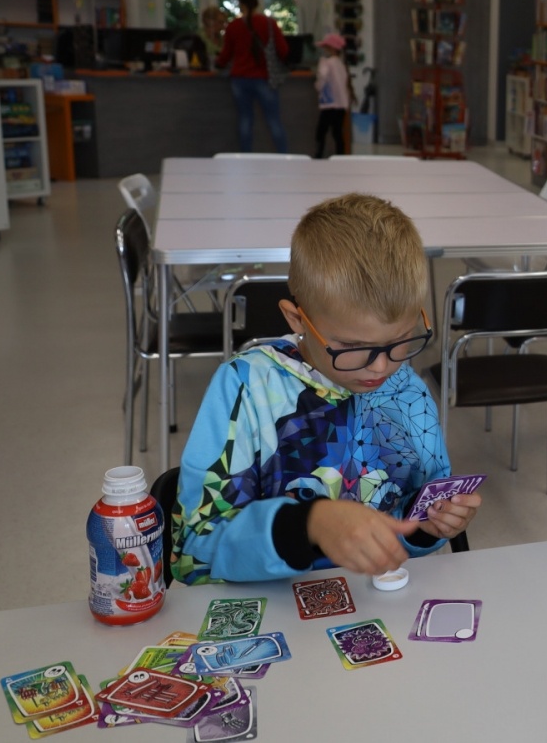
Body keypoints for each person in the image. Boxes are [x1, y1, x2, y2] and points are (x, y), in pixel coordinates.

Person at [170, 193, 480, 584]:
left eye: (401, 340)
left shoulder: (407, 391)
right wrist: (308, 524)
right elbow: (195, 551)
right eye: (352, 347)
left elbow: (413, 518)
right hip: (271, 601)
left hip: (373, 599)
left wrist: (428, 527)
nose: (381, 367)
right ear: (297, 319)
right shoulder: (246, 388)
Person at [216, 0, 290, 153]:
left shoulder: (233, 26)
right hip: (264, 77)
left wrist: (218, 64)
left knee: (245, 120)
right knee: (274, 121)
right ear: (257, 3)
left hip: (239, 79)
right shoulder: (269, 24)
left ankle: (246, 158)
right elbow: (283, 50)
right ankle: (283, 156)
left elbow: (225, 55)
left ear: (241, 4)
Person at [313, 32, 352, 159]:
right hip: (341, 104)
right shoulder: (341, 64)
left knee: (321, 131)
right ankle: (341, 157)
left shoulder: (326, 63)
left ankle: (319, 155)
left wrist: (317, 85)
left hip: (329, 104)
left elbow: (322, 78)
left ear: (331, 48)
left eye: (326, 47)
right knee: (337, 132)